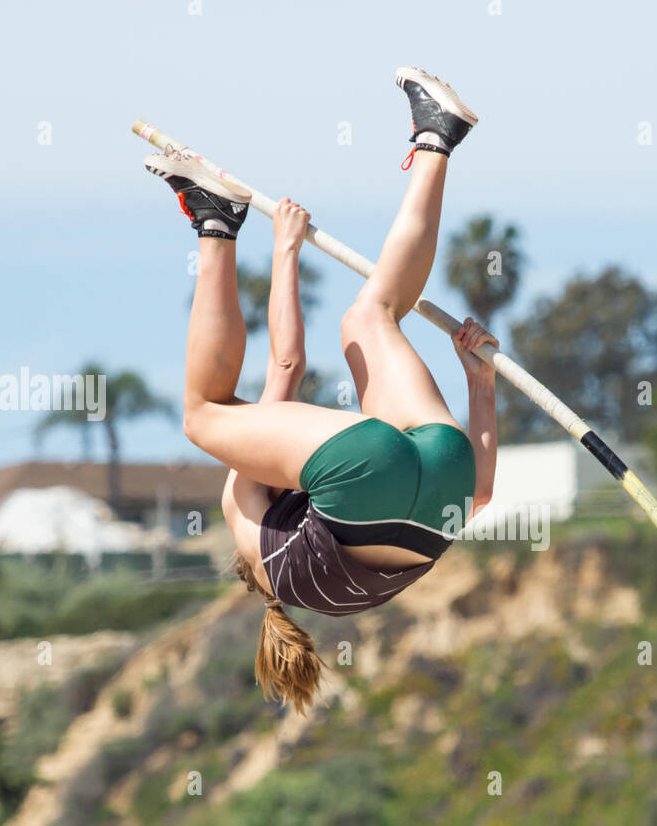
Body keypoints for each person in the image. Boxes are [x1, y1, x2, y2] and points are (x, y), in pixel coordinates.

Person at [143, 68, 498, 716]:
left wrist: (480, 383)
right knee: (202, 415)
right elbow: (286, 364)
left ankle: (437, 137)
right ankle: (215, 220)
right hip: (362, 481)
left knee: (372, 318)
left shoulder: (339, 578)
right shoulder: (257, 537)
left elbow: (481, 496)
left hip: (444, 490)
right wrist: (284, 253)